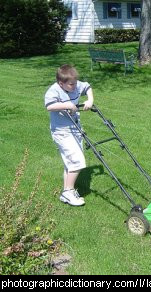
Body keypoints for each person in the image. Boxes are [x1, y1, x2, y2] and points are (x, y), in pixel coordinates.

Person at [44, 64, 94, 206]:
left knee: (70, 162)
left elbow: (87, 87)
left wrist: (90, 100)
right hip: (61, 131)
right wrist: (67, 105)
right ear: (61, 83)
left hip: (76, 129)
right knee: (77, 161)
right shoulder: (54, 90)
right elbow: (49, 106)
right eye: (71, 84)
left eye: (75, 83)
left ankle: (67, 192)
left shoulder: (76, 84)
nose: (75, 86)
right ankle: (68, 192)